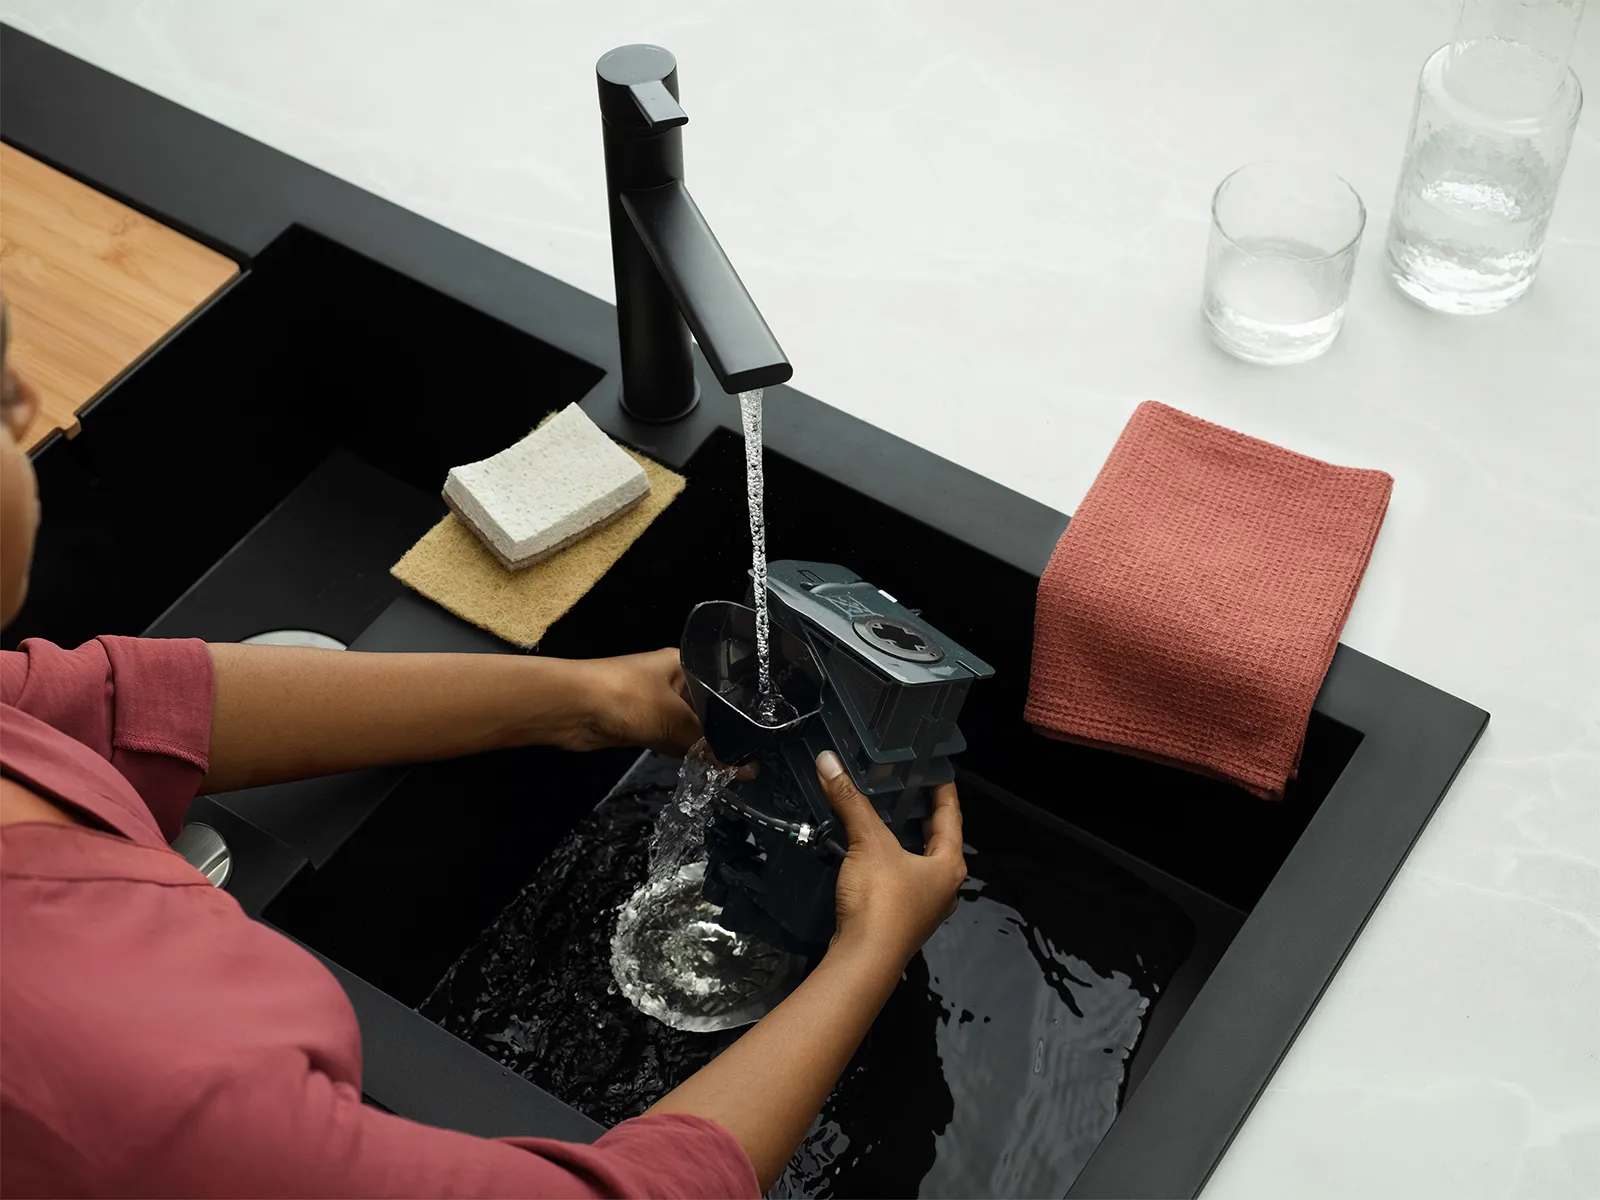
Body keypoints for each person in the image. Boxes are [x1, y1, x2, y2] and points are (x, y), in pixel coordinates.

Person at [0, 289, 968, 1198]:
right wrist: (867, 950)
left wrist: (591, 699)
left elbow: (118, 707)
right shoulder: (117, 1066)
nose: (28, 404)